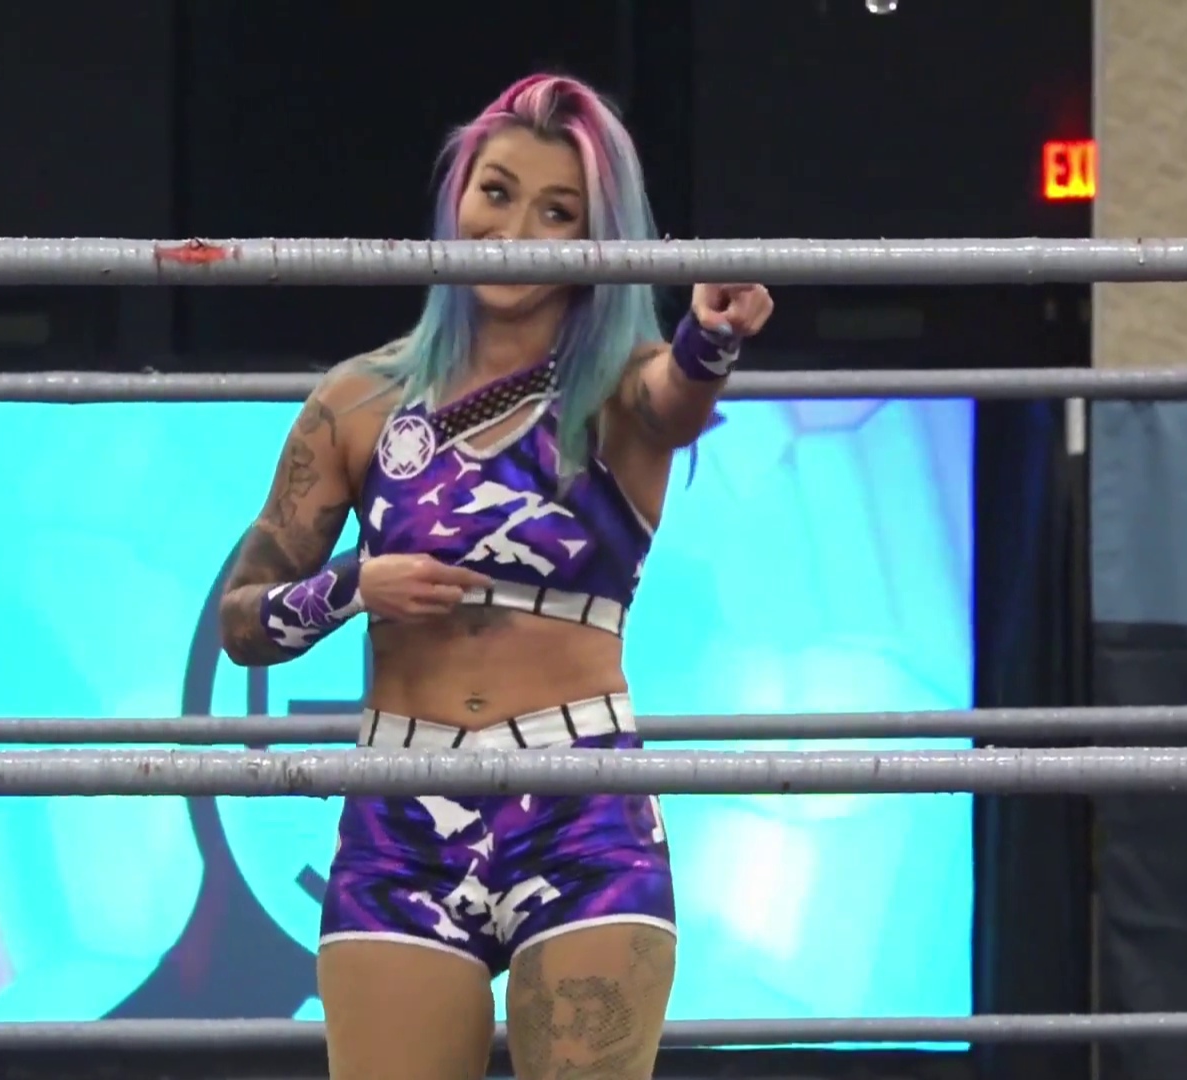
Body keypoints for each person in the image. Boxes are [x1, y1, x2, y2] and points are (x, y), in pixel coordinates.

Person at [218, 73, 774, 1080]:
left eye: (559, 212)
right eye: (498, 193)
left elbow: (677, 397)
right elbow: (241, 625)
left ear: (598, 239)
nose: (515, 232)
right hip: (399, 809)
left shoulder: (622, 385)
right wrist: (354, 586)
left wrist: (713, 336)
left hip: (580, 801)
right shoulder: (358, 400)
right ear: (456, 196)